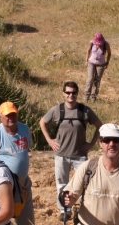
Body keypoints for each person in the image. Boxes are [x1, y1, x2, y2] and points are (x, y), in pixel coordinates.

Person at [39, 81, 101, 209]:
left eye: (73, 92)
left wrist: (92, 144)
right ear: (63, 93)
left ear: (77, 94)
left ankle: (84, 210)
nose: (70, 95)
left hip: (80, 156)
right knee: (62, 184)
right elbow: (42, 122)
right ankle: (64, 210)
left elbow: (100, 126)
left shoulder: (85, 110)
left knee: (83, 184)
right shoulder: (57, 110)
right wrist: (50, 141)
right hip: (61, 154)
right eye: (68, 92)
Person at [0, 101, 41, 225]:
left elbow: (25, 151)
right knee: (4, 214)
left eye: (13, 114)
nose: (11, 118)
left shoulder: (24, 129)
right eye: (7, 115)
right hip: (6, 183)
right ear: (0, 116)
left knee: (26, 213)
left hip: (23, 182)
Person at [84, 32, 111, 101]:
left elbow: (109, 53)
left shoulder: (106, 44)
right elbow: (88, 50)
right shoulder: (92, 42)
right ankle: (86, 96)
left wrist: (107, 62)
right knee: (90, 79)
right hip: (91, 63)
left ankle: (93, 97)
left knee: (97, 80)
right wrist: (86, 60)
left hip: (101, 64)